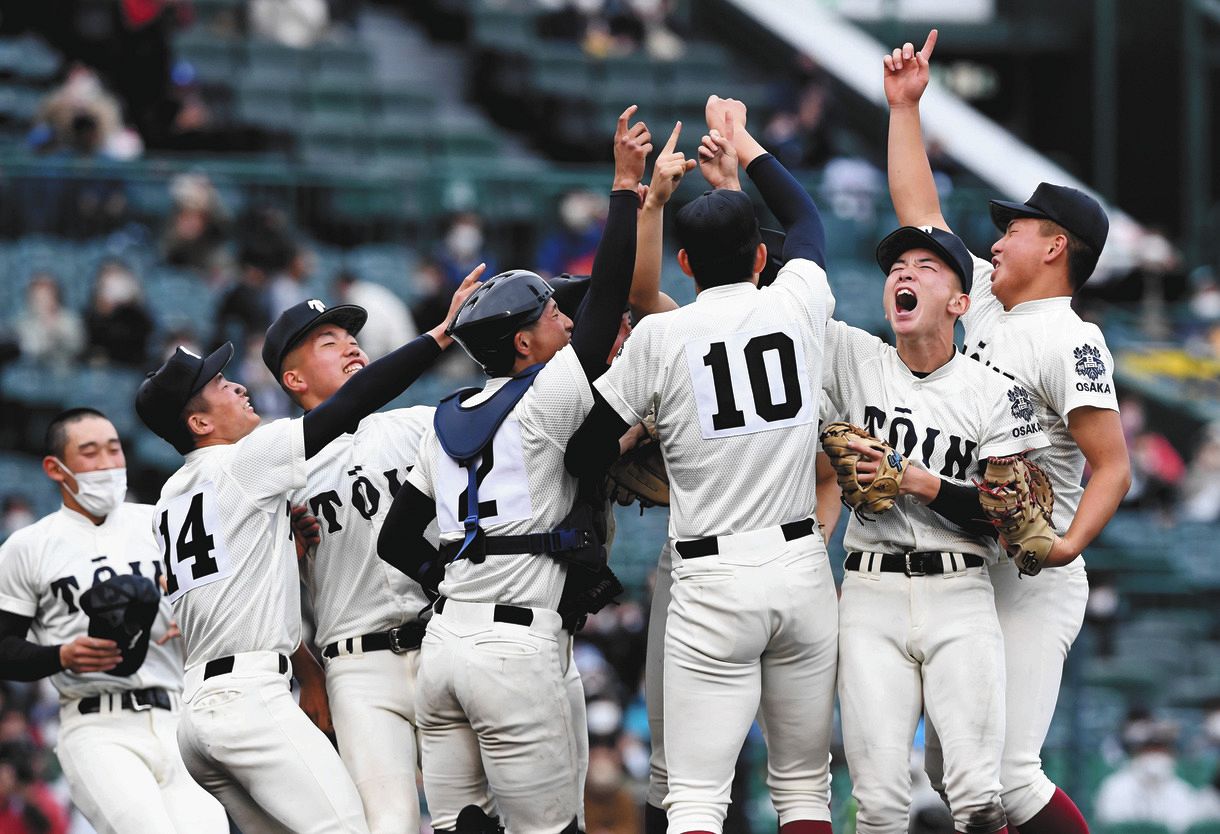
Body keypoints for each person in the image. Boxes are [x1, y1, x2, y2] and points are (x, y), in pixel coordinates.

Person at [567, 95, 838, 834]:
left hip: (709, 576)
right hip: (800, 564)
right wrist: (744, 143)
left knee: (693, 797)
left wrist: (644, 432)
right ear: (761, 257)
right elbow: (808, 221)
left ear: (685, 263)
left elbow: (586, 447)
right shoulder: (798, 301)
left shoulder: (663, 338)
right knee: (805, 792)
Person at [375, 105, 649, 834]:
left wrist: (456, 578)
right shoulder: (544, 398)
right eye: (555, 316)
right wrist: (626, 185)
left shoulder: (445, 415)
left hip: (443, 651)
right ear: (525, 343)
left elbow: (397, 542)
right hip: (514, 650)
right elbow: (610, 294)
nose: (568, 319)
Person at [884, 29, 1132, 834]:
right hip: (976, 552)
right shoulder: (985, 301)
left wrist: (1064, 548)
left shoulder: (1071, 339)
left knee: (1006, 775)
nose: (996, 238)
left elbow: (1112, 469)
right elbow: (921, 214)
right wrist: (905, 110)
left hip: (1034, 572)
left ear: (1056, 247)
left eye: (1016, 228)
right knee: (951, 770)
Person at [135, 269, 478, 833]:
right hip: (270, 691)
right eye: (220, 385)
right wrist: (439, 336)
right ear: (198, 421)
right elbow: (353, 404)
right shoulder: (252, 463)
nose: (238, 386)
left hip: (201, 707)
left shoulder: (170, 499)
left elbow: (226, 591)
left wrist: (282, 551)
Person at [816, 224, 1051, 834]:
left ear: (959, 302)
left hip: (961, 591)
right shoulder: (853, 358)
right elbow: (777, 285)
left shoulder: (997, 394)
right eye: (896, 265)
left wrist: (918, 481)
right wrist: (738, 171)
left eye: (926, 266)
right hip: (869, 593)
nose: (904, 273)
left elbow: (1009, 521)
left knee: (976, 795)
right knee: (880, 805)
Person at [259, 272, 482, 834]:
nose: (350, 345)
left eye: (351, 336)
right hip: (355, 666)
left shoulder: (417, 425)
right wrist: (308, 676)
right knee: (390, 823)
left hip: (441, 642)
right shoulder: (276, 467)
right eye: (327, 343)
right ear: (293, 377)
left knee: (475, 817)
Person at [0, 408, 227, 834]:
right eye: (89, 452)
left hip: (181, 718)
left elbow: (220, 601)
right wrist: (59, 656)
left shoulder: (162, 522)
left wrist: (195, 612)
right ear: (55, 467)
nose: (107, 463)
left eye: (114, 449)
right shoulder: (28, 546)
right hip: (97, 723)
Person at [331, 269, 419, 361]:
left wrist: (368, 361)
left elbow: (374, 332)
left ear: (342, 285)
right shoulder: (367, 291)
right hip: (402, 348)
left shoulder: (360, 298)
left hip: (399, 350)